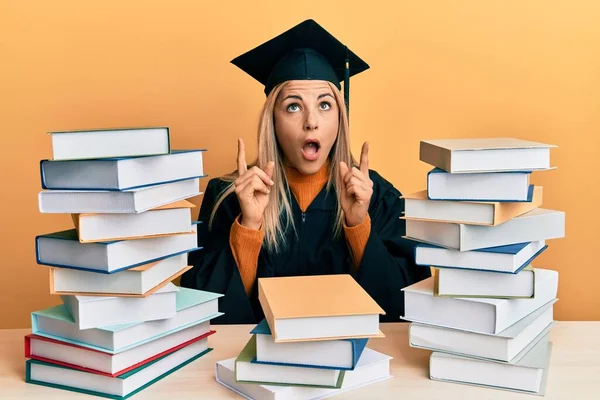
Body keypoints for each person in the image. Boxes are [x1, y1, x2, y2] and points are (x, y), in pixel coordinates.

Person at [180, 19, 431, 324]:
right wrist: (248, 227)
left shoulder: (376, 196)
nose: (311, 121)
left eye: (325, 105)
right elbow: (204, 313)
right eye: (293, 107)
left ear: (341, 118)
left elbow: (405, 308)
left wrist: (359, 225)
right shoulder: (229, 195)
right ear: (272, 120)